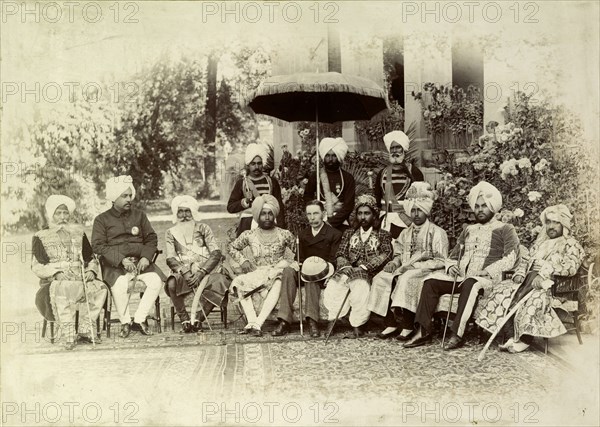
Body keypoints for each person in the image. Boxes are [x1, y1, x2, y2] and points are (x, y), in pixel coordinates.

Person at [404, 181, 520, 350]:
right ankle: (423, 331)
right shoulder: (468, 230)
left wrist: (487, 271)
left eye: (484, 206)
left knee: (471, 283)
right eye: (477, 206)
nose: (480, 210)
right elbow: (453, 255)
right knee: (430, 282)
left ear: (493, 207)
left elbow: (511, 257)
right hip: (462, 278)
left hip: (488, 281)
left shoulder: (505, 228)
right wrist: (451, 266)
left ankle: (457, 334)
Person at [476, 204, 584, 353]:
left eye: (556, 222)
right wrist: (520, 273)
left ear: (563, 224)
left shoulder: (572, 245)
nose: (551, 226)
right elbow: (526, 261)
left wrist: (545, 273)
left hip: (552, 285)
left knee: (531, 300)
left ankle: (524, 340)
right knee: (503, 291)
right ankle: (510, 336)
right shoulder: (540, 243)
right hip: (529, 281)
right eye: (549, 222)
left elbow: (571, 267)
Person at [368, 182, 448, 340]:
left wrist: (414, 266)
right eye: (413, 211)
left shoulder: (437, 232)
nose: (416, 214)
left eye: (420, 210)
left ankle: (408, 325)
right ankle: (390, 323)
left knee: (405, 279)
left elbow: (441, 260)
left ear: (426, 211)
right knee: (381, 278)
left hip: (427, 272)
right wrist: (394, 263)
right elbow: (398, 253)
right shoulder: (405, 232)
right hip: (404, 268)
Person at [91, 175, 165, 338]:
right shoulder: (101, 220)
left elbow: (151, 237)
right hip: (115, 265)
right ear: (113, 197)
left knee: (155, 281)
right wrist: (121, 260)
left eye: (130, 195)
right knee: (119, 285)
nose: (129, 199)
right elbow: (98, 245)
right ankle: (125, 321)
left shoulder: (139, 216)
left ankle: (139, 319)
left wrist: (146, 257)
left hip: (140, 263)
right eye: (124, 196)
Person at [33, 195, 108, 350]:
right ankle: (68, 335)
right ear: (51, 214)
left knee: (101, 289)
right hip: (56, 281)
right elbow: (37, 265)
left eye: (65, 213)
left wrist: (91, 271)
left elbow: (90, 257)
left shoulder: (79, 233)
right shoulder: (40, 236)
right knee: (63, 288)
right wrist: (55, 273)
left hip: (80, 277)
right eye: (58, 213)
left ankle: (85, 330)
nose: (62, 217)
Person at [323, 195, 393, 338]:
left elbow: (386, 254)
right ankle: (333, 319)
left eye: (367, 213)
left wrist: (365, 267)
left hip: (368, 272)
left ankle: (357, 323)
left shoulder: (383, 235)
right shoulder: (349, 233)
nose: (363, 217)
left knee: (360, 286)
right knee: (336, 285)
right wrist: (345, 266)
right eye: (360, 213)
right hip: (347, 270)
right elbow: (341, 252)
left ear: (374, 215)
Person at [228, 195, 297, 336]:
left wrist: (289, 264)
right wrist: (243, 261)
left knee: (278, 281)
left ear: (274, 215)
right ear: (257, 216)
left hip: (277, 272)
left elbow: (300, 251)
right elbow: (231, 247)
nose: (267, 217)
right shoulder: (249, 235)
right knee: (239, 282)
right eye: (263, 214)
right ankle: (252, 322)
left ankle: (258, 323)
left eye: (270, 214)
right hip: (259, 271)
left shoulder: (285, 234)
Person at [272, 200, 342, 338]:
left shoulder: (334, 234)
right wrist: (296, 263)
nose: (312, 217)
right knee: (288, 271)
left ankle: (312, 321)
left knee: (311, 274)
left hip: (324, 272)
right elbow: (300, 258)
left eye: (315, 213)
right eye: (309, 214)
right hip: (305, 269)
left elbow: (334, 259)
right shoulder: (303, 235)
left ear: (323, 214)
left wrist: (315, 268)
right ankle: (284, 320)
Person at [164, 195, 229, 333]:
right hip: (183, 271)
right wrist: (185, 272)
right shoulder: (170, 233)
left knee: (221, 281)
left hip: (205, 270)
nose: (184, 216)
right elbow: (170, 258)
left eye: (187, 211)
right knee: (171, 284)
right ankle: (185, 319)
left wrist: (201, 272)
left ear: (193, 212)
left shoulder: (204, 228)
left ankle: (199, 318)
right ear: (176, 213)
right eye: (180, 212)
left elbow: (216, 253)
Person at [374, 131, 424, 239]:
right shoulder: (382, 173)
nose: (395, 151)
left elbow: (421, 201)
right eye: (392, 148)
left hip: (405, 221)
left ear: (404, 149)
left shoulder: (414, 172)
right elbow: (377, 198)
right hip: (385, 221)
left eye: (398, 147)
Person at [227, 143, 285, 236]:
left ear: (263, 163)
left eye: (259, 163)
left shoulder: (272, 182)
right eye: (253, 164)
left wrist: (281, 229)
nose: (256, 167)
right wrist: (244, 202)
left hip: (269, 223)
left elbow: (279, 207)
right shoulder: (242, 183)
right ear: (248, 165)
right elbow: (230, 207)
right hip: (248, 225)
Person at [303, 137, 356, 232]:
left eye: (334, 155)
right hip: (318, 221)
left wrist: (330, 223)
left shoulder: (347, 178)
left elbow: (348, 206)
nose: (330, 159)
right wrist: (316, 215)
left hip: (341, 224)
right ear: (323, 157)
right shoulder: (316, 176)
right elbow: (307, 197)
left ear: (339, 157)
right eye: (327, 155)